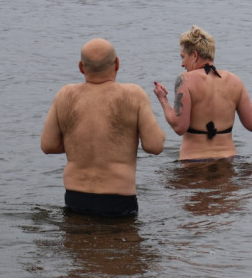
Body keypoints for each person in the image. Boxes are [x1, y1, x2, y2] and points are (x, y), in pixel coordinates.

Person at [41, 38, 165, 217]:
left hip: (76, 197)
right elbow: (155, 146)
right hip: (118, 199)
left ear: (81, 67)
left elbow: (48, 145)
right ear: (117, 64)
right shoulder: (134, 94)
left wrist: (76, 143)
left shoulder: (64, 95)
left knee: (78, 244)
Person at [153, 26, 252, 162]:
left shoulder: (185, 80)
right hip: (228, 162)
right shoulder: (235, 81)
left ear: (195, 55)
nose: (182, 64)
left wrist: (163, 100)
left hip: (194, 164)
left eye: (183, 57)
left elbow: (179, 127)